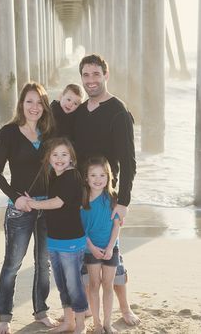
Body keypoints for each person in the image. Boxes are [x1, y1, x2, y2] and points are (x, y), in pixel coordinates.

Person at [73, 54, 140, 326]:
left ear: (105, 75)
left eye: (95, 74)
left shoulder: (118, 112)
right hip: (83, 195)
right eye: (86, 75)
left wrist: (123, 201)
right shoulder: (79, 112)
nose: (91, 80)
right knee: (86, 257)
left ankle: (124, 308)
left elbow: (129, 161)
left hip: (107, 195)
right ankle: (91, 306)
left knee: (113, 256)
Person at [0, 81, 57, 334]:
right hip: (20, 209)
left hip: (47, 207)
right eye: (29, 101)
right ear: (21, 103)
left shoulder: (49, 132)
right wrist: (16, 197)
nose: (34, 107)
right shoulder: (8, 132)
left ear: (44, 106)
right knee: (12, 263)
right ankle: (4, 316)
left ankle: (41, 310)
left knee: (44, 263)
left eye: (39, 102)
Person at [27, 137, 88, 334]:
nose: (59, 158)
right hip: (54, 239)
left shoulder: (72, 176)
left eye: (64, 154)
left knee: (74, 285)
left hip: (71, 241)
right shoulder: (55, 175)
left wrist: (33, 204)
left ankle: (80, 325)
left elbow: (57, 202)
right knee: (62, 284)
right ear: (49, 157)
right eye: (55, 154)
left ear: (72, 158)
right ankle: (68, 322)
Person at [81, 156, 120, 334]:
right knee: (94, 285)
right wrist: (92, 248)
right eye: (93, 175)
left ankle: (107, 323)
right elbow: (80, 229)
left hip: (111, 247)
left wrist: (111, 247)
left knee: (108, 285)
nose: (98, 179)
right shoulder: (82, 200)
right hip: (91, 249)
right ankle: (96, 323)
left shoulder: (113, 198)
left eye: (102, 175)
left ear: (108, 177)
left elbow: (116, 226)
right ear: (86, 178)